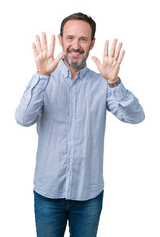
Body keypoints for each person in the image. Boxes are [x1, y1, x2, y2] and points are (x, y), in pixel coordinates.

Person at [15, 12, 145, 237]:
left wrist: (114, 82)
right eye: (70, 38)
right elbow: (23, 119)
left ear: (92, 43)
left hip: (88, 196)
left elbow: (136, 117)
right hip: (48, 194)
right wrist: (42, 75)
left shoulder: (102, 84)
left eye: (83, 39)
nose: (76, 45)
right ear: (60, 40)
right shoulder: (43, 79)